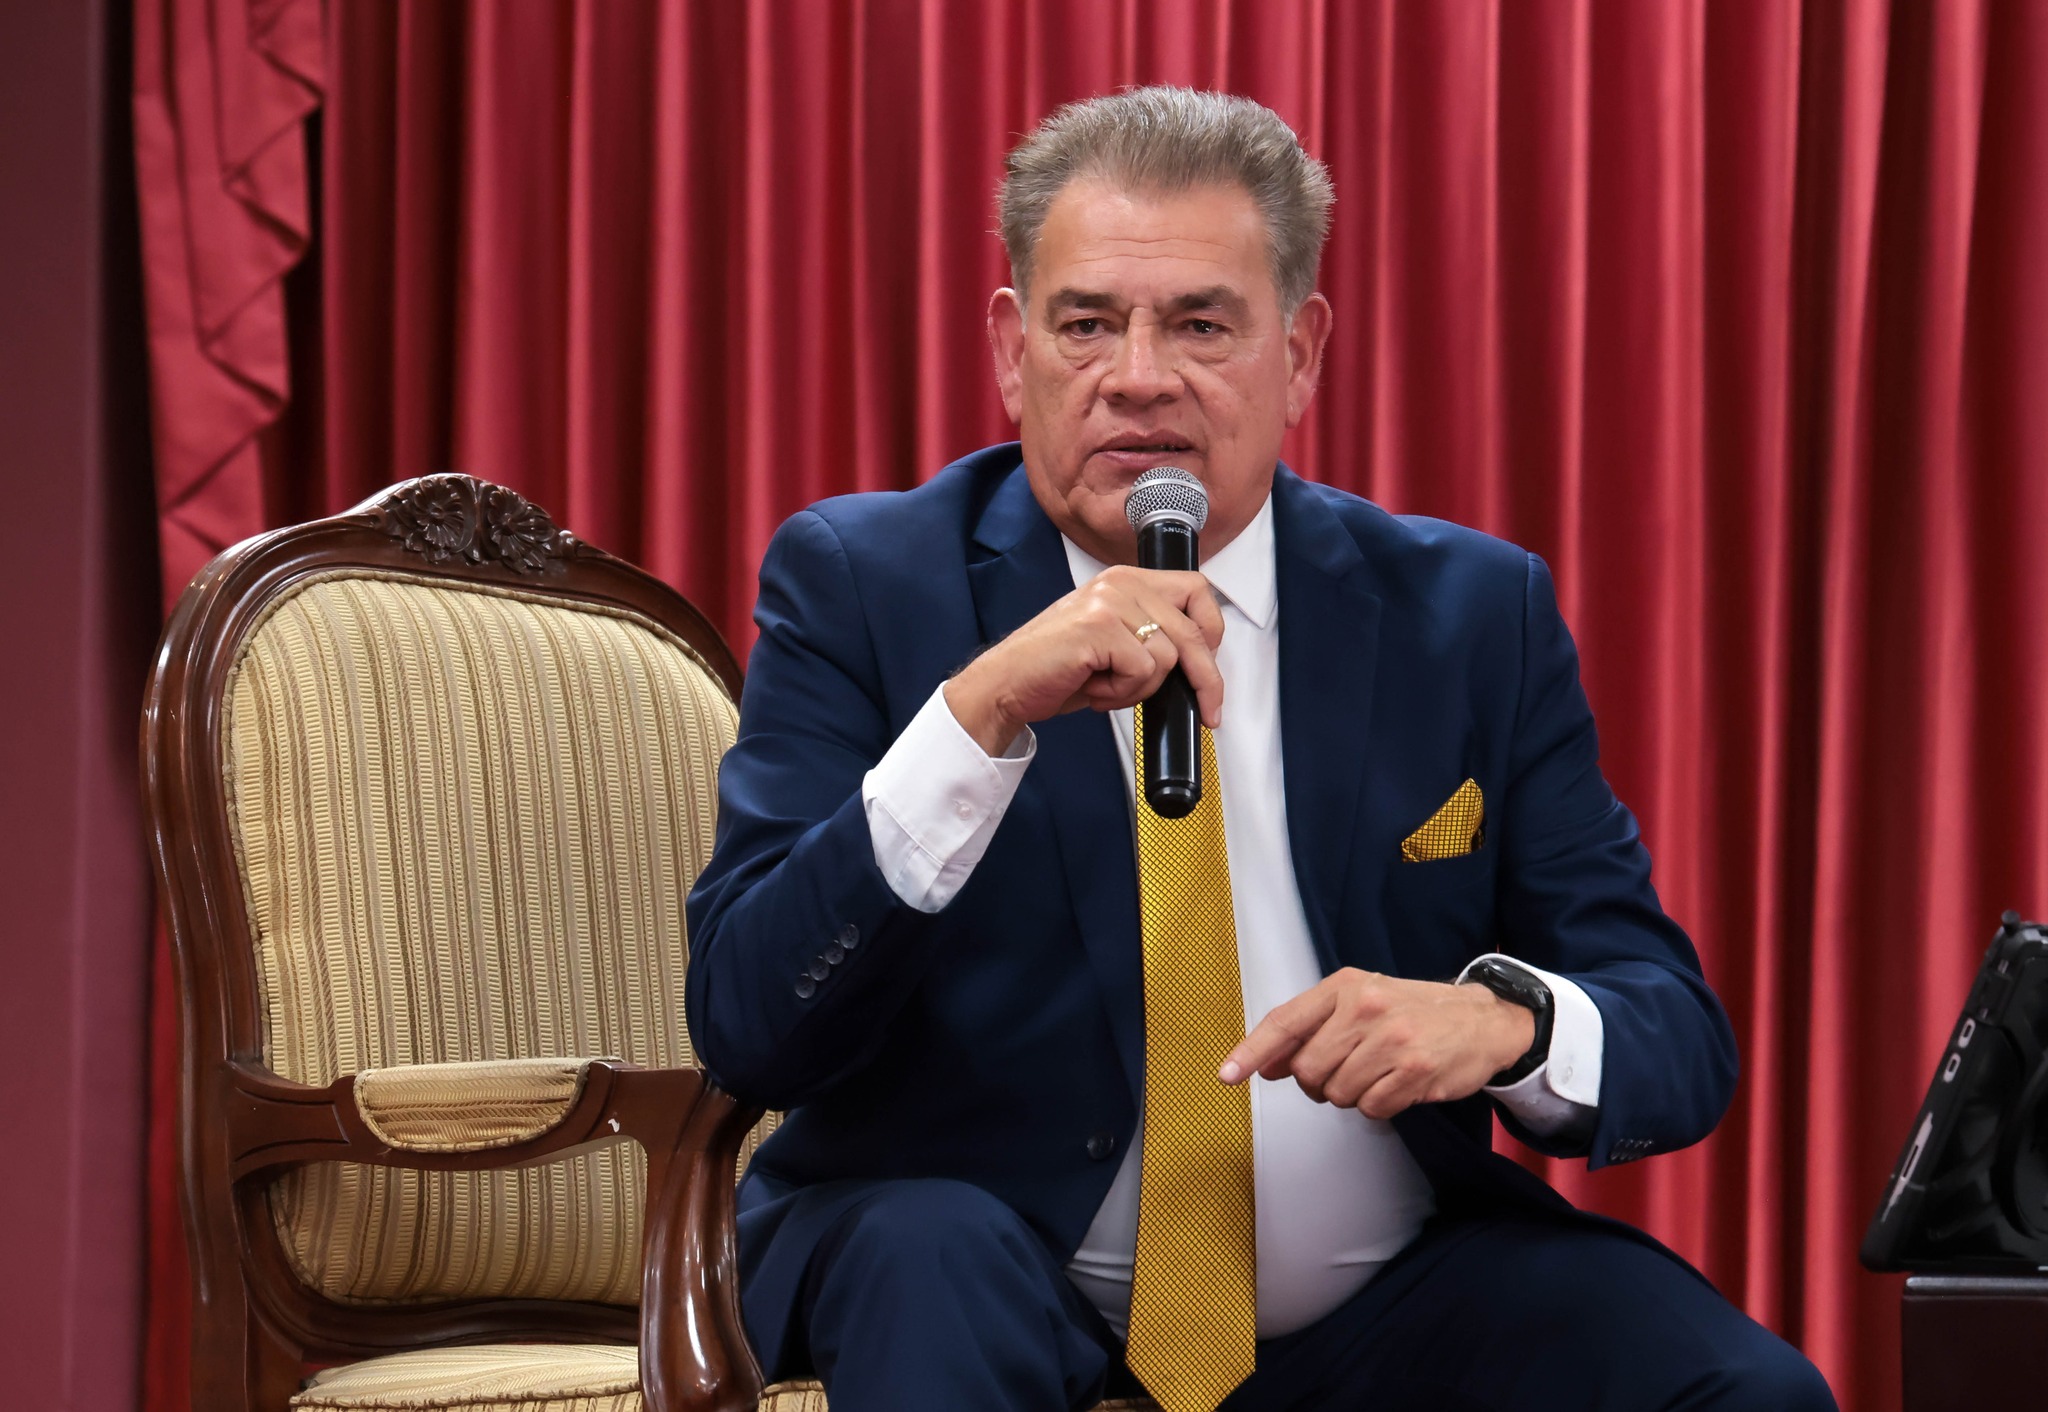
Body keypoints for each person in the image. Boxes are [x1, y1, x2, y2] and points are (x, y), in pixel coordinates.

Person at [685, 86, 1835, 1412]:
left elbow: (1672, 1030)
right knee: (929, 1259)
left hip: (1382, 1308)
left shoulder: (1471, 617)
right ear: (1012, 350)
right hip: (977, 1275)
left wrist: (1504, 1022)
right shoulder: (866, 583)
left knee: (1746, 1392)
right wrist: (977, 716)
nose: (1138, 377)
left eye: (1201, 325)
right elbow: (748, 1021)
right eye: (1086, 324)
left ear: (1300, 354)